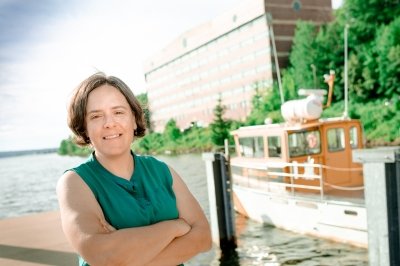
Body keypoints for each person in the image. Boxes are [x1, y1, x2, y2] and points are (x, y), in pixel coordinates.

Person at [56, 72, 212, 266]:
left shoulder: (162, 171)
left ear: (133, 118)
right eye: (96, 116)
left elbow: (203, 237)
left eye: (118, 112)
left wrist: (125, 256)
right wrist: (174, 227)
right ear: (84, 128)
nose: (109, 123)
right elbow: (102, 256)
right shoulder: (74, 182)